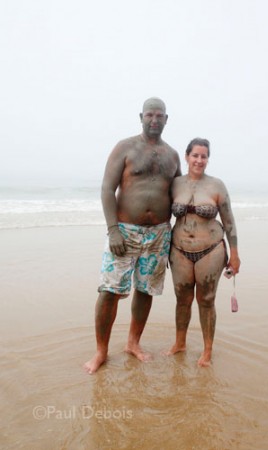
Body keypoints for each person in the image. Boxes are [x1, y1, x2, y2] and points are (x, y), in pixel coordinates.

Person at [84, 97, 181, 374]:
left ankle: (133, 343)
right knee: (109, 290)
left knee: (145, 289)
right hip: (124, 232)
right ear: (141, 117)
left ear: (166, 119)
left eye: (159, 115)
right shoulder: (125, 147)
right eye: (149, 115)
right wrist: (113, 229)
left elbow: (178, 191)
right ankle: (101, 351)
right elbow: (106, 189)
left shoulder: (172, 155)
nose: (154, 120)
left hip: (159, 234)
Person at [166, 137, 241, 367]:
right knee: (182, 300)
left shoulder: (216, 185)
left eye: (204, 156)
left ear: (208, 159)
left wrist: (235, 254)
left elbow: (229, 221)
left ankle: (207, 351)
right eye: (195, 155)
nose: (199, 160)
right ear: (187, 157)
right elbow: (160, 216)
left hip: (211, 250)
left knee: (206, 300)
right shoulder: (175, 184)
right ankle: (180, 343)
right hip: (179, 251)